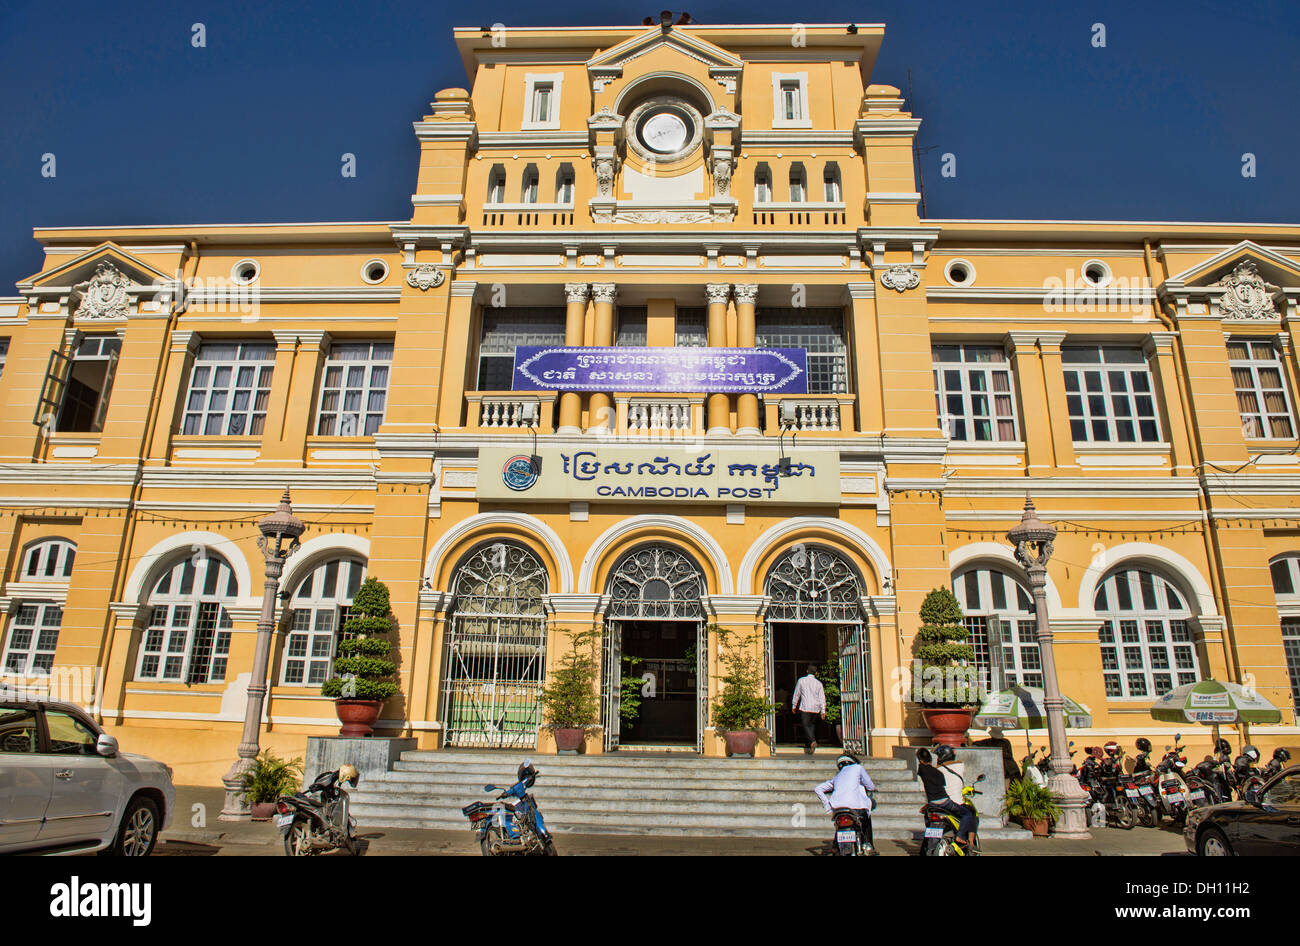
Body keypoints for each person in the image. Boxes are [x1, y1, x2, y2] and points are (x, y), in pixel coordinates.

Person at [815, 751, 877, 854]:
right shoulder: (858, 768)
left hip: (837, 808)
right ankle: (868, 844)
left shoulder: (837, 777)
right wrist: (872, 788)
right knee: (867, 815)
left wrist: (828, 805)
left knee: (839, 824)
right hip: (855, 807)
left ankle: (835, 845)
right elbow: (870, 786)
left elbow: (818, 789)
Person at [916, 746, 978, 847]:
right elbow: (942, 786)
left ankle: (927, 841)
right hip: (946, 802)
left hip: (932, 803)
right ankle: (963, 837)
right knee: (968, 814)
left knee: (928, 816)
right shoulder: (953, 767)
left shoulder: (925, 769)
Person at [791, 664, 825, 754]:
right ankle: (810, 744)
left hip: (805, 707)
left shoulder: (801, 681)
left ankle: (812, 741)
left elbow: (797, 693)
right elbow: (822, 697)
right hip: (815, 707)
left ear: (807, 671)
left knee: (805, 725)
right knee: (812, 725)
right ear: (816, 673)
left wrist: (794, 705)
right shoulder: (819, 683)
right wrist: (823, 710)